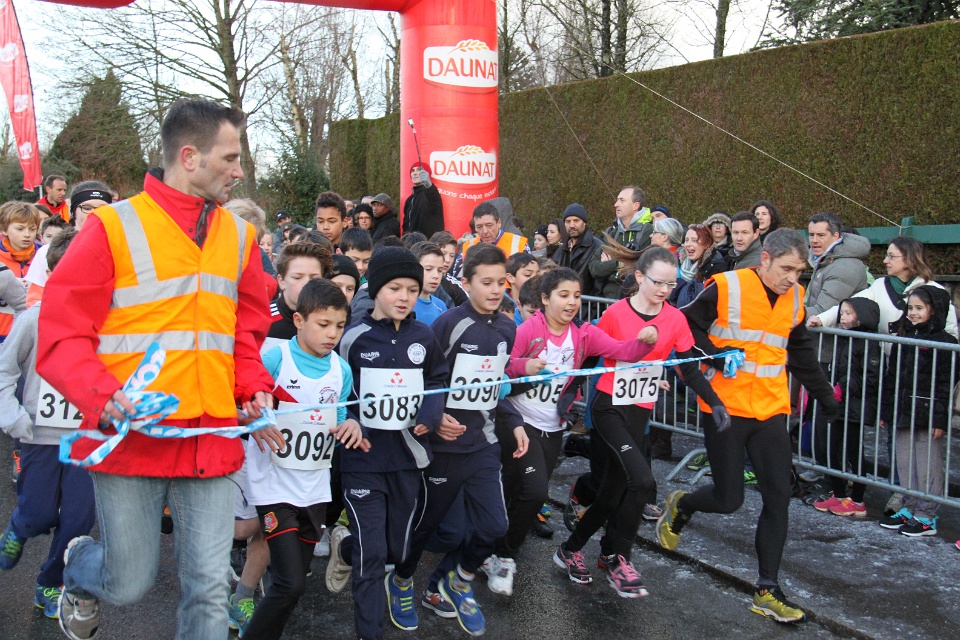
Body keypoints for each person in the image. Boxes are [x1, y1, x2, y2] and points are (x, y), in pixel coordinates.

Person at [38, 99, 278, 640]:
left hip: (210, 436)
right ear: (190, 157)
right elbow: (61, 332)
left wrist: (251, 387)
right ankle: (80, 568)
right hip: (130, 437)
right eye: (231, 158)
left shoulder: (240, 238)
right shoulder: (111, 227)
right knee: (127, 583)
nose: (240, 171)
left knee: (208, 588)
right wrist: (101, 395)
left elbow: (246, 331)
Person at [659, 228, 840, 624]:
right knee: (729, 500)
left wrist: (825, 396)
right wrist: (717, 354)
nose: (793, 278)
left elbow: (800, 352)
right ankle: (683, 505)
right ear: (766, 260)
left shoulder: (795, 297)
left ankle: (767, 589)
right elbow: (685, 326)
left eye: (800, 271)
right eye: (787, 269)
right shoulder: (728, 285)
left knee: (779, 495)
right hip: (726, 406)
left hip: (771, 408)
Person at [555, 246, 725, 597]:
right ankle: (621, 558)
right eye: (658, 282)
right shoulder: (616, 313)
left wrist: (714, 401)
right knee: (643, 480)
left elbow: (688, 368)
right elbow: (590, 356)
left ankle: (570, 549)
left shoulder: (675, 319)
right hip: (609, 409)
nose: (664, 290)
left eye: (671, 284)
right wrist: (569, 394)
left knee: (612, 493)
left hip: (639, 412)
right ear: (638, 277)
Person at [484, 268, 657, 595]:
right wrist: (525, 366)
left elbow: (624, 352)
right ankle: (504, 557)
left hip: (553, 428)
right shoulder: (530, 330)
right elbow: (502, 368)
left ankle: (491, 547)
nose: (572, 302)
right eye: (563, 295)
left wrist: (644, 341)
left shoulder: (584, 335)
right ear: (545, 299)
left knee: (518, 490)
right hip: (520, 422)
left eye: (576, 296)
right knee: (535, 491)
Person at [388, 244, 527, 636]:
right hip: (443, 447)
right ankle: (401, 581)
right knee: (428, 527)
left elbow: (493, 387)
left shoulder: (507, 328)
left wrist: (513, 420)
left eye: (501, 283)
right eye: (486, 282)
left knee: (494, 527)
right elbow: (423, 379)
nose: (496, 290)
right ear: (465, 283)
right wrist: (434, 417)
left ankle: (455, 581)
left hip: (482, 444)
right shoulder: (448, 324)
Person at [327, 247, 449, 640]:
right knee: (373, 557)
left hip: (408, 458)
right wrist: (350, 420)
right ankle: (369, 632)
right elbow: (337, 388)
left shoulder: (424, 336)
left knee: (398, 550)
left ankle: (345, 550)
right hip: (362, 460)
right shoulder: (353, 337)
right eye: (395, 288)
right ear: (376, 288)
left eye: (412, 289)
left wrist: (431, 413)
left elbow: (437, 379)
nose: (404, 297)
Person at [241, 279, 367, 639]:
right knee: (290, 582)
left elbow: (339, 419)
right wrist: (253, 417)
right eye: (323, 324)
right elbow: (243, 404)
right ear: (298, 320)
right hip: (273, 486)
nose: (332, 334)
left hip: (314, 488)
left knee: (293, 585)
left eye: (339, 326)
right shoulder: (275, 359)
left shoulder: (341, 370)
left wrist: (352, 426)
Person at [0, 229, 94, 620]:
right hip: (39, 435)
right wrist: (13, 417)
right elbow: (5, 370)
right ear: (53, 273)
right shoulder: (33, 320)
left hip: (89, 440)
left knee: (77, 520)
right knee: (39, 512)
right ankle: (20, 526)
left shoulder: (112, 324)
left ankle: (50, 583)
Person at [878, 286, 956, 538]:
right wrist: (887, 411)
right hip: (903, 410)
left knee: (926, 465)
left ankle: (926, 514)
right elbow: (892, 377)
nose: (912, 313)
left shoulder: (946, 343)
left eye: (919, 308)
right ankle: (910, 506)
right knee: (905, 462)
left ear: (934, 310)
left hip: (928, 413)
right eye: (910, 308)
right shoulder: (904, 337)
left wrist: (940, 419)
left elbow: (946, 385)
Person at [811, 297, 881, 518]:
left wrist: (843, 386)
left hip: (855, 405)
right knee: (831, 448)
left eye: (849, 313)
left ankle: (858, 500)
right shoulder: (843, 337)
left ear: (862, 316)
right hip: (839, 404)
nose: (843, 317)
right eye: (842, 313)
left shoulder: (869, 342)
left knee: (853, 451)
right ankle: (839, 493)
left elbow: (870, 376)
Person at [23, 182, 112, 309]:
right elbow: (35, 300)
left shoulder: (123, 248)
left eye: (103, 208)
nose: (94, 213)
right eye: (87, 208)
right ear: (74, 212)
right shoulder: (48, 251)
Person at [266, 242, 333, 352]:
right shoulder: (263, 318)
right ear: (281, 281)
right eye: (297, 277)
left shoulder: (332, 321)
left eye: (314, 278)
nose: (306, 284)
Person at [590, 186, 653, 299]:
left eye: (622, 200)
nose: (616, 204)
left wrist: (609, 265)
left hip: (634, 300)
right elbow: (594, 268)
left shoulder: (648, 231)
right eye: (617, 200)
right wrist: (618, 264)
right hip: (609, 300)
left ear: (636, 205)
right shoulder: (613, 233)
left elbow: (641, 265)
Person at [805, 212, 870, 317]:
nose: (814, 240)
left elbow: (822, 311)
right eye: (811, 235)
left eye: (821, 235)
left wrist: (786, 316)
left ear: (835, 236)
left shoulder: (843, 268)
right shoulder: (826, 261)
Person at [0, 202, 40, 342]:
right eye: (20, 229)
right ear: (4, 230)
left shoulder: (44, 256)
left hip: (33, 335)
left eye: (32, 229)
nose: (27, 234)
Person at [456, 202, 529, 277]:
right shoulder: (468, 246)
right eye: (479, 227)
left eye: (489, 225)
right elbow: (458, 279)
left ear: (499, 223)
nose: (484, 231)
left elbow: (529, 277)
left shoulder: (519, 243)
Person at [670, 223, 727, 308]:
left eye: (694, 240)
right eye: (686, 240)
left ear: (707, 244)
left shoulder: (717, 266)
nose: (688, 244)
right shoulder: (679, 262)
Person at [552, 204, 604, 296]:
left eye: (576, 220)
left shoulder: (598, 247)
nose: (571, 225)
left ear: (584, 222)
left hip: (587, 302)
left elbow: (600, 283)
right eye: (568, 221)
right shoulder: (561, 250)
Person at [411, 241, 448, 327]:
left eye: (440, 270)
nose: (436, 276)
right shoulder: (404, 304)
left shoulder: (441, 306)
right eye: (428, 269)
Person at [402, 164, 444, 238]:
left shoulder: (430, 193)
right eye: (413, 171)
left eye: (419, 170)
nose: (415, 173)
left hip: (428, 242)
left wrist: (428, 185)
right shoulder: (409, 200)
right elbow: (406, 226)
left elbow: (433, 201)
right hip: (411, 243)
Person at [429, 230, 468, 307]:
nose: (447, 260)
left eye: (452, 256)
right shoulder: (420, 280)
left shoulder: (455, 287)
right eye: (443, 254)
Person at [505, 252, 540, 325]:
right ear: (510, 278)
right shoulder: (500, 305)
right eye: (528, 275)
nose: (535, 278)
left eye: (538, 274)